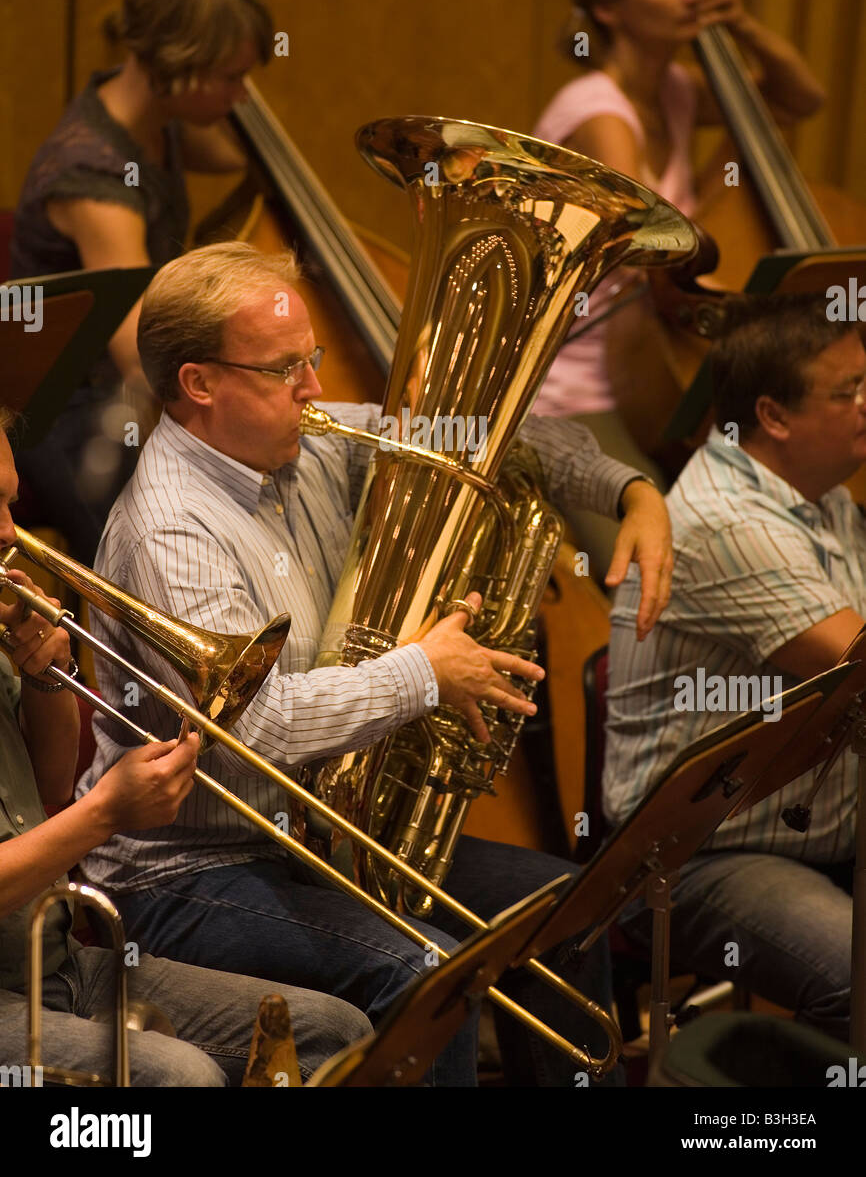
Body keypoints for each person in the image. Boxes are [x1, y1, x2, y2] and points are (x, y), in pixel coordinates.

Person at [76, 240, 674, 1087]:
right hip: (188, 873)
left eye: (312, 359)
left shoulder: (304, 440)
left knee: (562, 907)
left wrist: (627, 490)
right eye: (287, 369)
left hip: (308, 831)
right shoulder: (171, 528)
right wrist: (426, 672)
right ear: (199, 385)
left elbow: (484, 440)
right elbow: (264, 726)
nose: (316, 389)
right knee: (427, 971)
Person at [0, 406, 372, 1086]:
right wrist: (106, 813)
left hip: (51, 963)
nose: (8, 532)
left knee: (335, 1033)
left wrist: (45, 682)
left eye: (8, 501)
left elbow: (52, 788)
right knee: (182, 1077)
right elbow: (76, 812)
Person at [532, 0, 826, 576]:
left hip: (652, 368)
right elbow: (653, 238)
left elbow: (800, 97)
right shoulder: (596, 108)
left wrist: (740, 24)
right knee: (649, 577)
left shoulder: (674, 91)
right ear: (609, 7)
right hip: (573, 396)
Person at [602, 295, 865, 1040]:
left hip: (819, 831)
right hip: (695, 860)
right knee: (859, 979)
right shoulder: (727, 523)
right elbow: (858, 667)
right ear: (774, 417)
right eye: (847, 393)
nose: (865, 405)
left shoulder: (826, 499)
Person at [10, 0, 270, 561]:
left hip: (115, 402)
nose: (243, 96)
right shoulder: (95, 181)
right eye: (231, 77)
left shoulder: (156, 117)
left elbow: (244, 153)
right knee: (177, 547)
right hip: (71, 417)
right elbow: (139, 355)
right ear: (181, 67)